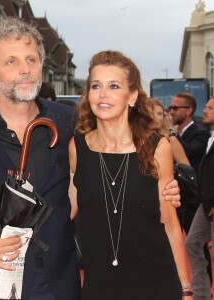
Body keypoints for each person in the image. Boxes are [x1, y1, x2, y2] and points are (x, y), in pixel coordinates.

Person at [0, 18, 181, 300]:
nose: (25, 70)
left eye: (31, 59)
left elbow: (111, 168)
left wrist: (161, 186)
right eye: (11, 62)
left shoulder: (69, 122)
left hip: (58, 282)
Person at [68, 50, 193, 299]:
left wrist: (186, 290)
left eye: (114, 86)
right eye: (96, 86)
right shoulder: (77, 147)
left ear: (132, 96)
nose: (103, 94)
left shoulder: (157, 147)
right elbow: (64, 211)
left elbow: (169, 224)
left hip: (156, 285)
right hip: (99, 287)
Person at [169, 92, 212, 282]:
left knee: (196, 245)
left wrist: (170, 135)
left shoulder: (201, 134)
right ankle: (200, 292)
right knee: (191, 244)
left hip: (198, 199)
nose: (171, 112)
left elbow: (190, 153)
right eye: (171, 107)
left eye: (176, 108)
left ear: (189, 111)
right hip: (188, 199)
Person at [185, 97, 214, 300]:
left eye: (211, 108)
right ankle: (202, 295)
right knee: (193, 243)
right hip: (206, 205)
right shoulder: (211, 137)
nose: (205, 110)